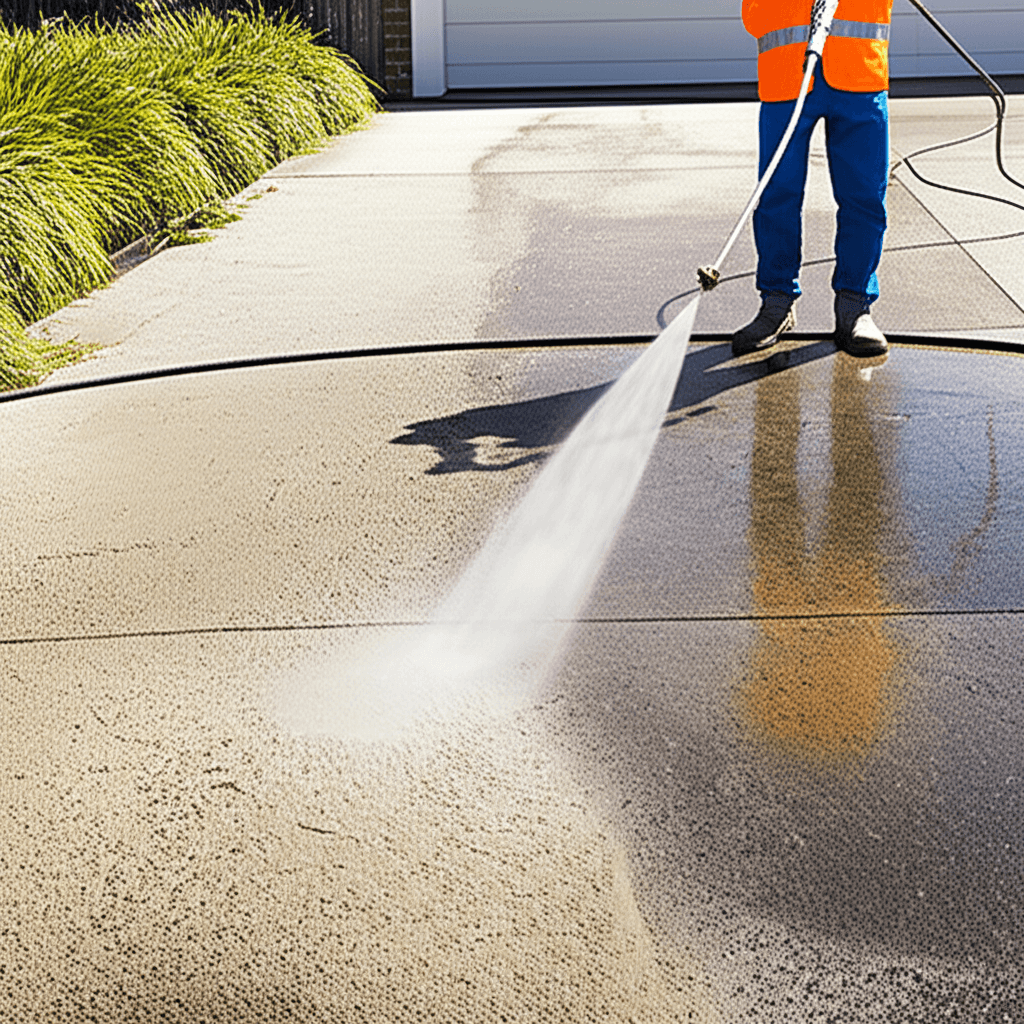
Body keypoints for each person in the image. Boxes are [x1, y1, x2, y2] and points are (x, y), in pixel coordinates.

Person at [733, 0, 893, 358]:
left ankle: (855, 306)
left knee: (864, 197)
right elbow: (754, 15)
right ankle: (776, 302)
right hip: (786, 74)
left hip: (860, 71)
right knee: (777, 196)